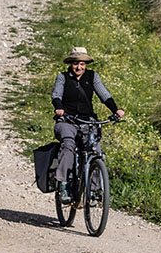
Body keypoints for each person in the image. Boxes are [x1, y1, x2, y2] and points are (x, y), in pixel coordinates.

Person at [51, 46, 125, 201]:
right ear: (70, 64)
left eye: (82, 64)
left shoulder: (92, 77)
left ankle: (94, 190)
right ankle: (64, 185)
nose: (79, 67)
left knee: (95, 150)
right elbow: (56, 95)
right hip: (67, 120)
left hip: (88, 121)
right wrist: (59, 107)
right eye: (76, 63)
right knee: (68, 144)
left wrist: (116, 110)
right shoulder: (62, 77)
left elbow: (104, 95)